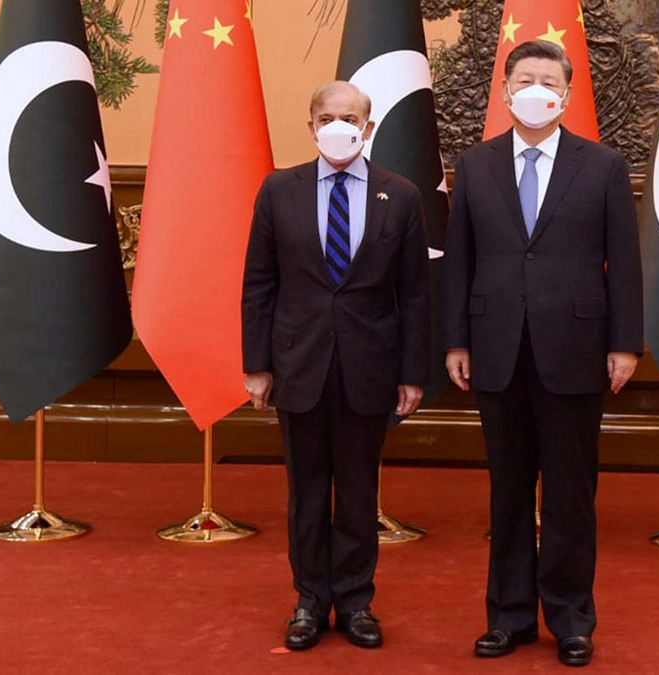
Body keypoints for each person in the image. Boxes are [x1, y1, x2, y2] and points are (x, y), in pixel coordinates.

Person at [440, 40, 644, 667]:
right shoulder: (474, 165)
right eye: (523, 78)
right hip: (495, 348)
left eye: (546, 80)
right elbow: (460, 261)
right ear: (504, 91)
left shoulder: (603, 165)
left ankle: (571, 619)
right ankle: (507, 617)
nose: (534, 88)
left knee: (570, 494)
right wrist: (455, 339)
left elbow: (625, 264)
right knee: (507, 492)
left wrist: (624, 344)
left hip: (577, 349)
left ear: (567, 93)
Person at [242, 80, 430, 652]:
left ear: (368, 128)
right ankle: (308, 600)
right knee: (306, 490)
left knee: (355, 491)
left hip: (369, 367)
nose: (338, 126)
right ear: (311, 125)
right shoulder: (279, 190)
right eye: (327, 116)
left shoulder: (401, 195)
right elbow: (259, 283)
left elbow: (417, 293)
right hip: (298, 364)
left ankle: (355, 601)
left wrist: (412, 371)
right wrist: (257, 365)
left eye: (350, 117)